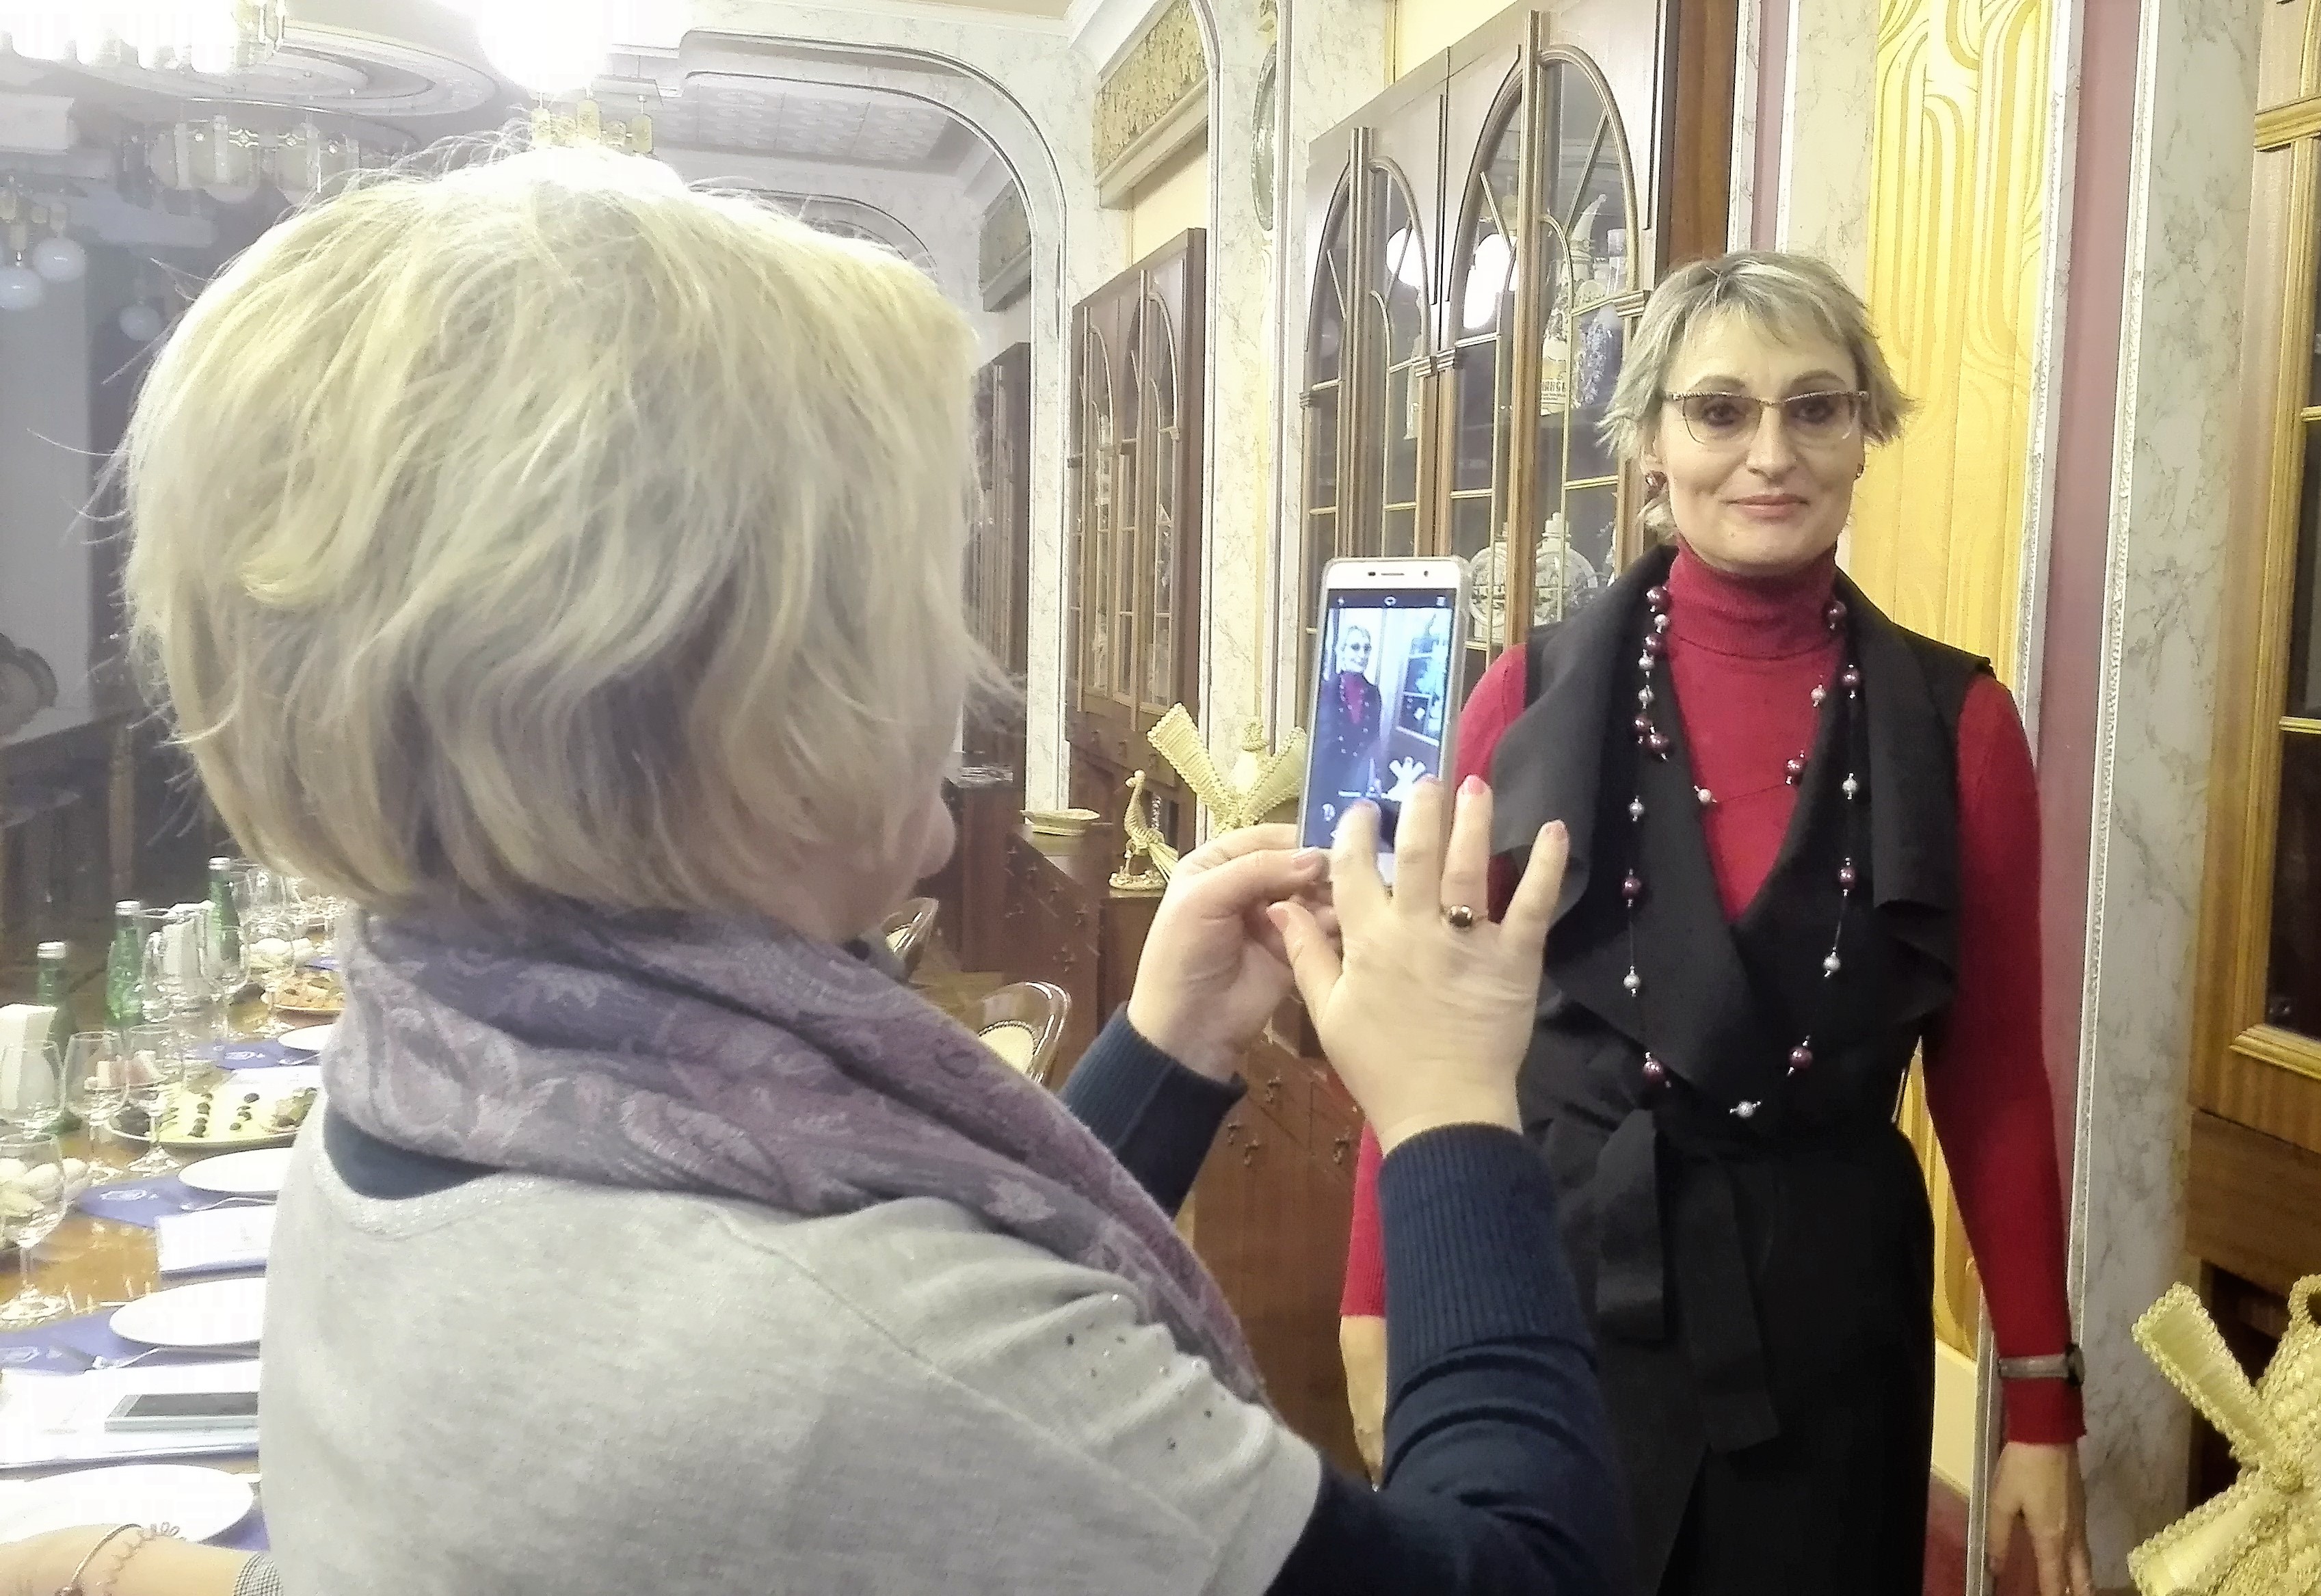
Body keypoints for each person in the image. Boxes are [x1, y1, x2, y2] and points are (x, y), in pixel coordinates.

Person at [0, 148, 1623, 1596]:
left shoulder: (431, 1071)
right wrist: (1448, 1111)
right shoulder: (851, 1360)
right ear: (738, 694)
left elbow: (952, 1304)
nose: (964, 665)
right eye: (921, 584)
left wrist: (1165, 1049)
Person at [1337, 252, 2097, 1596]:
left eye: (1816, 408)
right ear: (1649, 440)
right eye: (1719, 410)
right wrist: (1377, 1295)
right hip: (1558, 1285)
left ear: (1864, 433)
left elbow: (1991, 1084)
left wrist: (2039, 1391)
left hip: (1829, 1330)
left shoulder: (1960, 731)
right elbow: (1421, 1023)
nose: (1771, 453)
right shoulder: (1526, 698)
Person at [1318, 625, 1387, 801]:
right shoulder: (1325, 691)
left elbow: (1374, 740)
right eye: (1355, 647)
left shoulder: (1373, 694)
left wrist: (1377, 777)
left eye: (1367, 648)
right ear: (1341, 651)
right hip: (1327, 780)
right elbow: (1319, 744)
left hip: (1358, 780)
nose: (1362, 655)